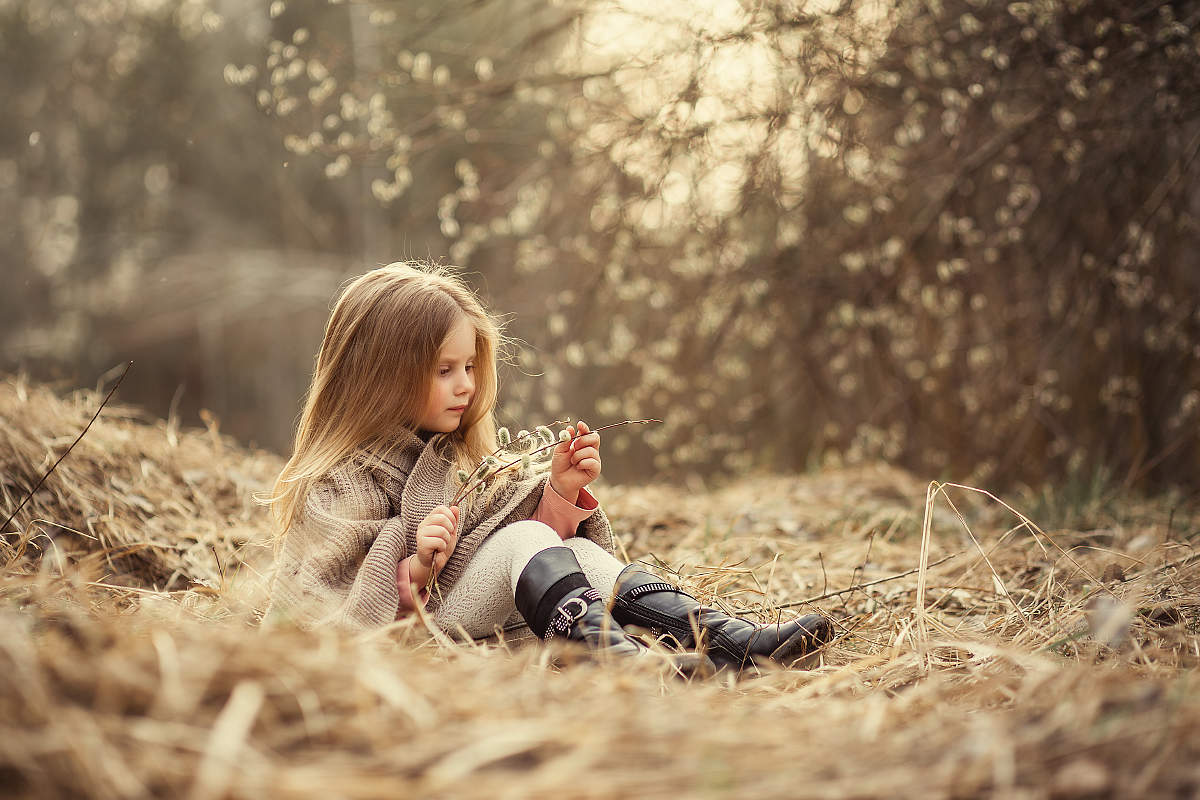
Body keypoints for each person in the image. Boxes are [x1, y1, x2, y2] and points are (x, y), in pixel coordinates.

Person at [263, 262, 831, 673]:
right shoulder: (337, 482)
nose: (465, 386)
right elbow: (327, 603)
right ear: (382, 375)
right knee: (523, 540)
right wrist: (413, 569)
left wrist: (558, 492)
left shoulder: (453, 460)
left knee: (579, 552)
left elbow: (513, 553)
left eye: (469, 367)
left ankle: (726, 641)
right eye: (444, 370)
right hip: (420, 632)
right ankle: (618, 666)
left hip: (473, 611)